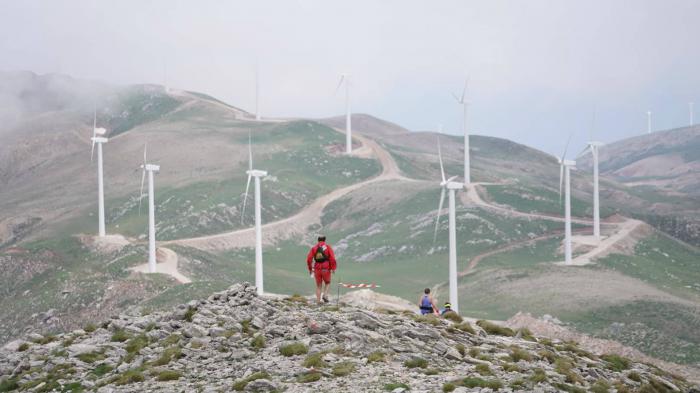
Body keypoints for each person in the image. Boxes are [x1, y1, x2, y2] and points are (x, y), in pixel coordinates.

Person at [306, 235, 336, 304]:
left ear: (318, 240)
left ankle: (318, 301)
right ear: (324, 240)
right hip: (326, 268)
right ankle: (325, 295)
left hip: (317, 268)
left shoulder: (314, 248)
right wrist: (333, 268)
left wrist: (310, 269)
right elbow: (332, 258)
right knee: (327, 283)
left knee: (319, 285)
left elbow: (309, 259)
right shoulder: (328, 247)